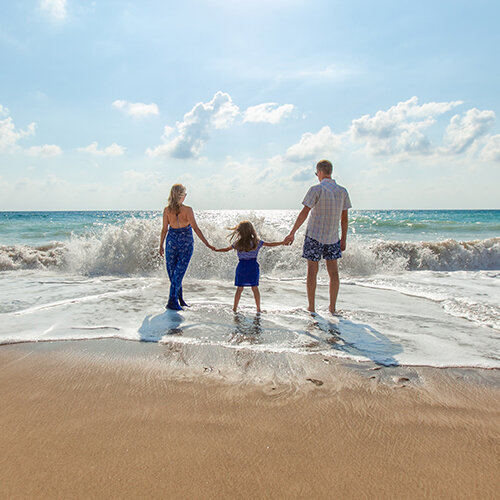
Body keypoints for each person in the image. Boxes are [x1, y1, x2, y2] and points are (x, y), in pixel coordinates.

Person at [284, 160, 351, 314]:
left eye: (316, 173)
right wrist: (344, 239)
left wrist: (292, 232)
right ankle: (332, 308)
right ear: (330, 171)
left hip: (314, 235)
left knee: (312, 272)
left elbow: (304, 213)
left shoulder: (316, 189)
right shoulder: (342, 191)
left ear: (320, 172)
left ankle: (312, 307)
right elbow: (345, 218)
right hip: (333, 237)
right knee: (333, 273)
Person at [159, 184, 214, 310]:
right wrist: (207, 243)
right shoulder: (187, 210)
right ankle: (172, 301)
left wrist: (161, 245)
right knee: (177, 273)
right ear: (181, 196)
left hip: (171, 241)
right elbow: (195, 228)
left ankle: (179, 299)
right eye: (185, 194)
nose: (185, 196)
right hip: (185, 242)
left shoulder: (167, 210)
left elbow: (164, 230)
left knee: (175, 273)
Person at [214, 220, 285, 313]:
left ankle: (235, 308)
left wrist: (216, 249)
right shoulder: (257, 242)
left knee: (239, 289)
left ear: (240, 231)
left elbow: (226, 249)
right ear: (251, 230)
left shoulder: (237, 243)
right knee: (255, 288)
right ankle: (258, 309)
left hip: (242, 267)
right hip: (252, 267)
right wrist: (282, 242)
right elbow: (271, 244)